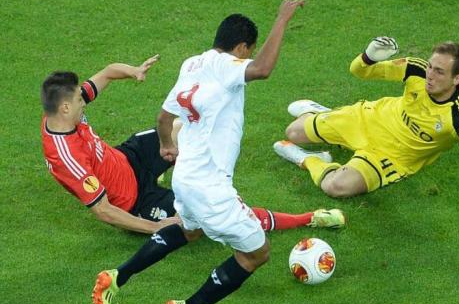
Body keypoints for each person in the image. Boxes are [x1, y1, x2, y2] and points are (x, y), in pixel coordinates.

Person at [92, 0, 308, 304]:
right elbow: (264, 69)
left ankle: (119, 275)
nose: (247, 57)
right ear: (241, 47)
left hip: (185, 180)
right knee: (258, 253)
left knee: (188, 231)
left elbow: (164, 117)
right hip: (210, 188)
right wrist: (282, 18)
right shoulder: (228, 66)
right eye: (246, 51)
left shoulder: (192, 64)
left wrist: (166, 146)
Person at [40, 62, 346, 235]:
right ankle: (308, 218)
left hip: (128, 157)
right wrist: (156, 226)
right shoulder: (67, 159)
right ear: (66, 107)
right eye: (80, 101)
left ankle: (186, 175)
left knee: (180, 130)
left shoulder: (62, 112)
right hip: (134, 201)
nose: (84, 102)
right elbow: (105, 211)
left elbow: (105, 73)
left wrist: (133, 71)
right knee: (206, 219)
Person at [273, 36, 459, 206]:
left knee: (335, 187)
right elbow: (360, 72)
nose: (430, 75)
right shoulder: (416, 70)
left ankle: (311, 160)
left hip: (392, 157)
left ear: (457, 79)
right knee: (292, 132)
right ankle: (323, 112)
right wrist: (368, 57)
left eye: (440, 72)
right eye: (431, 66)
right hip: (370, 119)